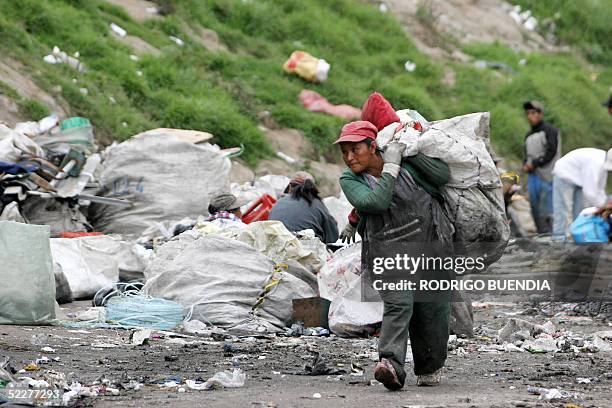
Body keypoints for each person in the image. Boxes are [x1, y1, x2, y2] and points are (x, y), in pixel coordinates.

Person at [336, 120, 454, 390]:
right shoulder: (351, 179)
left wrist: (407, 153)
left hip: (430, 246)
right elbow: (374, 202)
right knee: (399, 304)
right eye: (344, 152)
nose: (349, 157)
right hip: (387, 251)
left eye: (355, 150)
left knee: (433, 310)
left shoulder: (408, 166)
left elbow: (442, 176)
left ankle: (429, 366)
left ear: (373, 146)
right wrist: (390, 167)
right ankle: (391, 365)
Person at [552, 148, 612, 241]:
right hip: (564, 174)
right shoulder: (596, 163)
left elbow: (599, 190)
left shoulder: (603, 164)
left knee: (579, 212)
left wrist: (605, 205)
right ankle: (558, 241)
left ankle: (577, 236)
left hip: (579, 179)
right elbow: (590, 193)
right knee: (562, 212)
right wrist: (602, 208)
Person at [522, 100, 561, 234]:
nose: (530, 116)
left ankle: (552, 236)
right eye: (528, 113)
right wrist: (525, 165)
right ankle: (541, 236)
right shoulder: (528, 135)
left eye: (533, 113)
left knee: (547, 210)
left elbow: (551, 151)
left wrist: (535, 163)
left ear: (541, 114)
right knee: (535, 208)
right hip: (533, 177)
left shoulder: (550, 130)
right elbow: (526, 155)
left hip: (547, 176)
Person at [268, 171, 339, 244]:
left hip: (273, 246)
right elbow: (332, 238)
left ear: (289, 188)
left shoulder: (279, 202)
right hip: (303, 252)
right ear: (312, 189)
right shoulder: (316, 204)